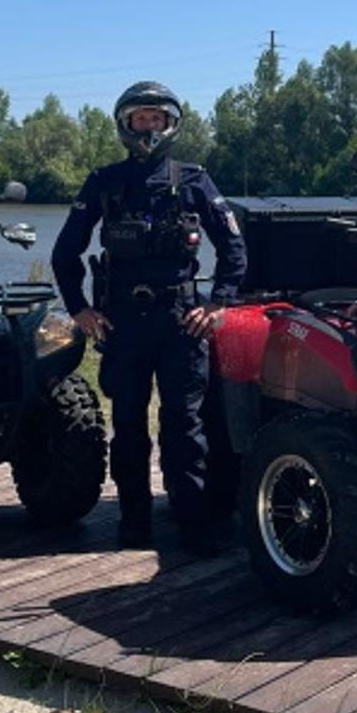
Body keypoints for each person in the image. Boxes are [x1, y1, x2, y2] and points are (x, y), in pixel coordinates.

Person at [51, 81, 247, 552]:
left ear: (171, 123)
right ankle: (134, 522)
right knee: (129, 427)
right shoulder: (104, 182)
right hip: (123, 323)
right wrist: (79, 309)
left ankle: (193, 523)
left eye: (157, 118)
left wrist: (217, 303)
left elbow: (234, 248)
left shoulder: (194, 180)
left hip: (181, 322)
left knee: (185, 426)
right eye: (141, 118)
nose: (149, 127)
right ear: (126, 124)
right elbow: (65, 253)